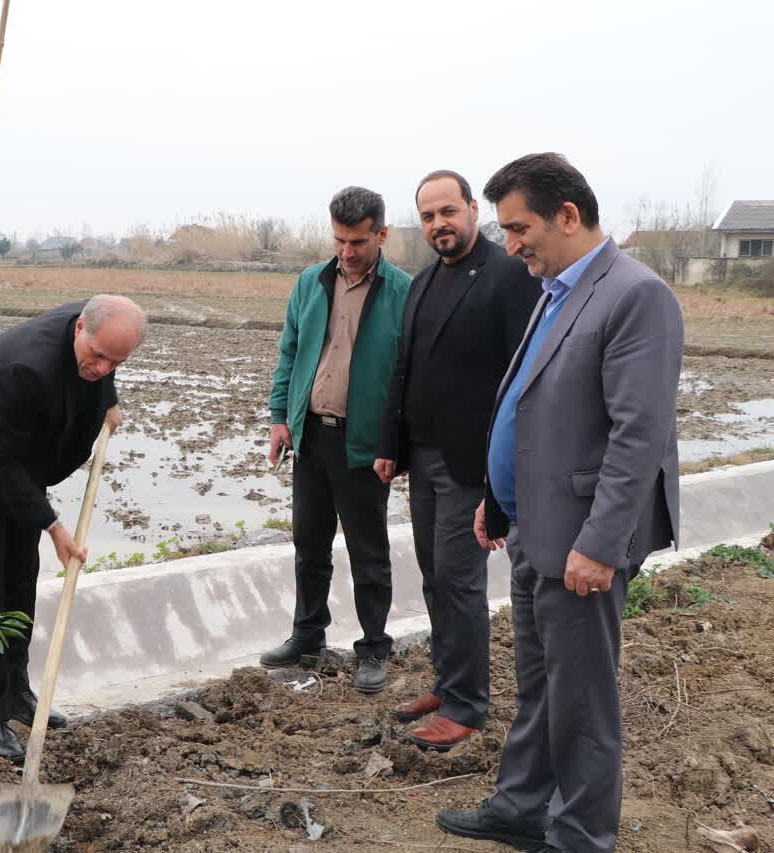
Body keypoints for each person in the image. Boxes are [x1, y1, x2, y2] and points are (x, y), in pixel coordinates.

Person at [435, 153, 682, 853]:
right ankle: (521, 806)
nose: (509, 245)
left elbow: (639, 435)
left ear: (567, 216)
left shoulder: (636, 295)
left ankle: (579, 836)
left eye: (519, 228)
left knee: (583, 701)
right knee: (540, 687)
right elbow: (531, 402)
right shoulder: (558, 288)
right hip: (533, 527)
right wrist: (499, 498)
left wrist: (602, 542)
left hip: (581, 540)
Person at [0, 295, 146, 762]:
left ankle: (17, 692)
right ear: (80, 328)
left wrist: (109, 401)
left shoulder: (101, 327)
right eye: (97, 356)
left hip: (19, 459)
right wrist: (53, 525)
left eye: (115, 362)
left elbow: (103, 368)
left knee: (20, 576)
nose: (102, 368)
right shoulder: (27, 365)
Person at [374, 170, 538, 750]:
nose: (438, 224)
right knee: (434, 575)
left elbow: (523, 376)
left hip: (473, 461)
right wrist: (391, 444)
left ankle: (468, 705)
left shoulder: (509, 275)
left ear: (472, 208)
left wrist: (504, 470)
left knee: (460, 581)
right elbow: (405, 367)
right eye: (427, 216)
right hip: (423, 454)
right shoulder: (422, 283)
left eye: (448, 211)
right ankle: (447, 682)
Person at [262, 186, 411, 692]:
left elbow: (410, 376)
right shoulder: (311, 282)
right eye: (340, 241)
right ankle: (307, 636)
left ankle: (372, 648)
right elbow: (289, 351)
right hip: (311, 438)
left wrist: (396, 443)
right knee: (309, 543)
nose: (347, 252)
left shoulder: (403, 292)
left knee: (369, 550)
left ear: (381, 235)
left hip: (364, 445)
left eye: (358, 242)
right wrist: (281, 417)